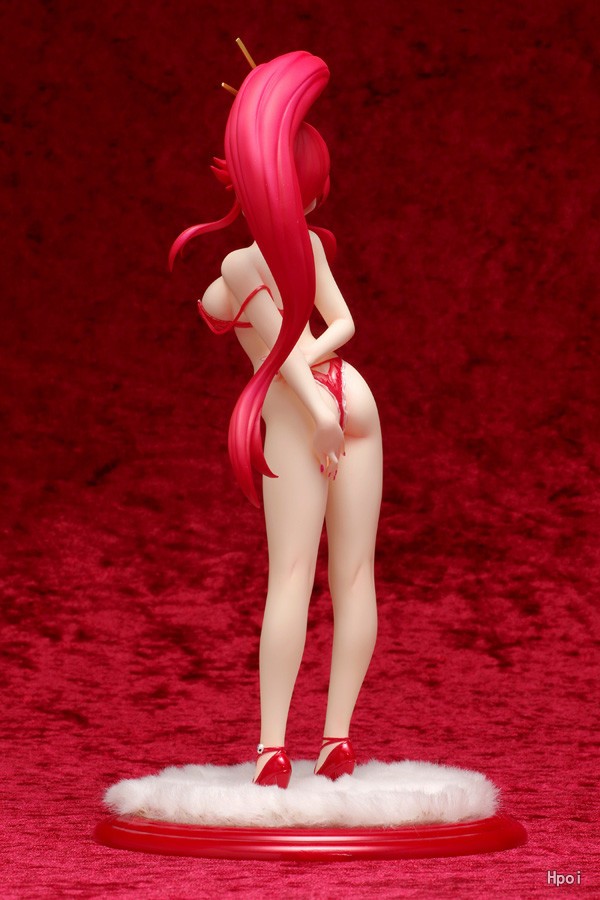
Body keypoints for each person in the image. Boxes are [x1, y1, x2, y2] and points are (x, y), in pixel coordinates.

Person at [170, 49, 382, 788]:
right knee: (353, 573)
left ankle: (273, 750)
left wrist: (318, 409)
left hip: (304, 411)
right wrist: (330, 392)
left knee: (292, 573)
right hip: (350, 395)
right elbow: (337, 328)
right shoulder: (304, 248)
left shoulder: (240, 266)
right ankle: (336, 740)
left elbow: (280, 353)